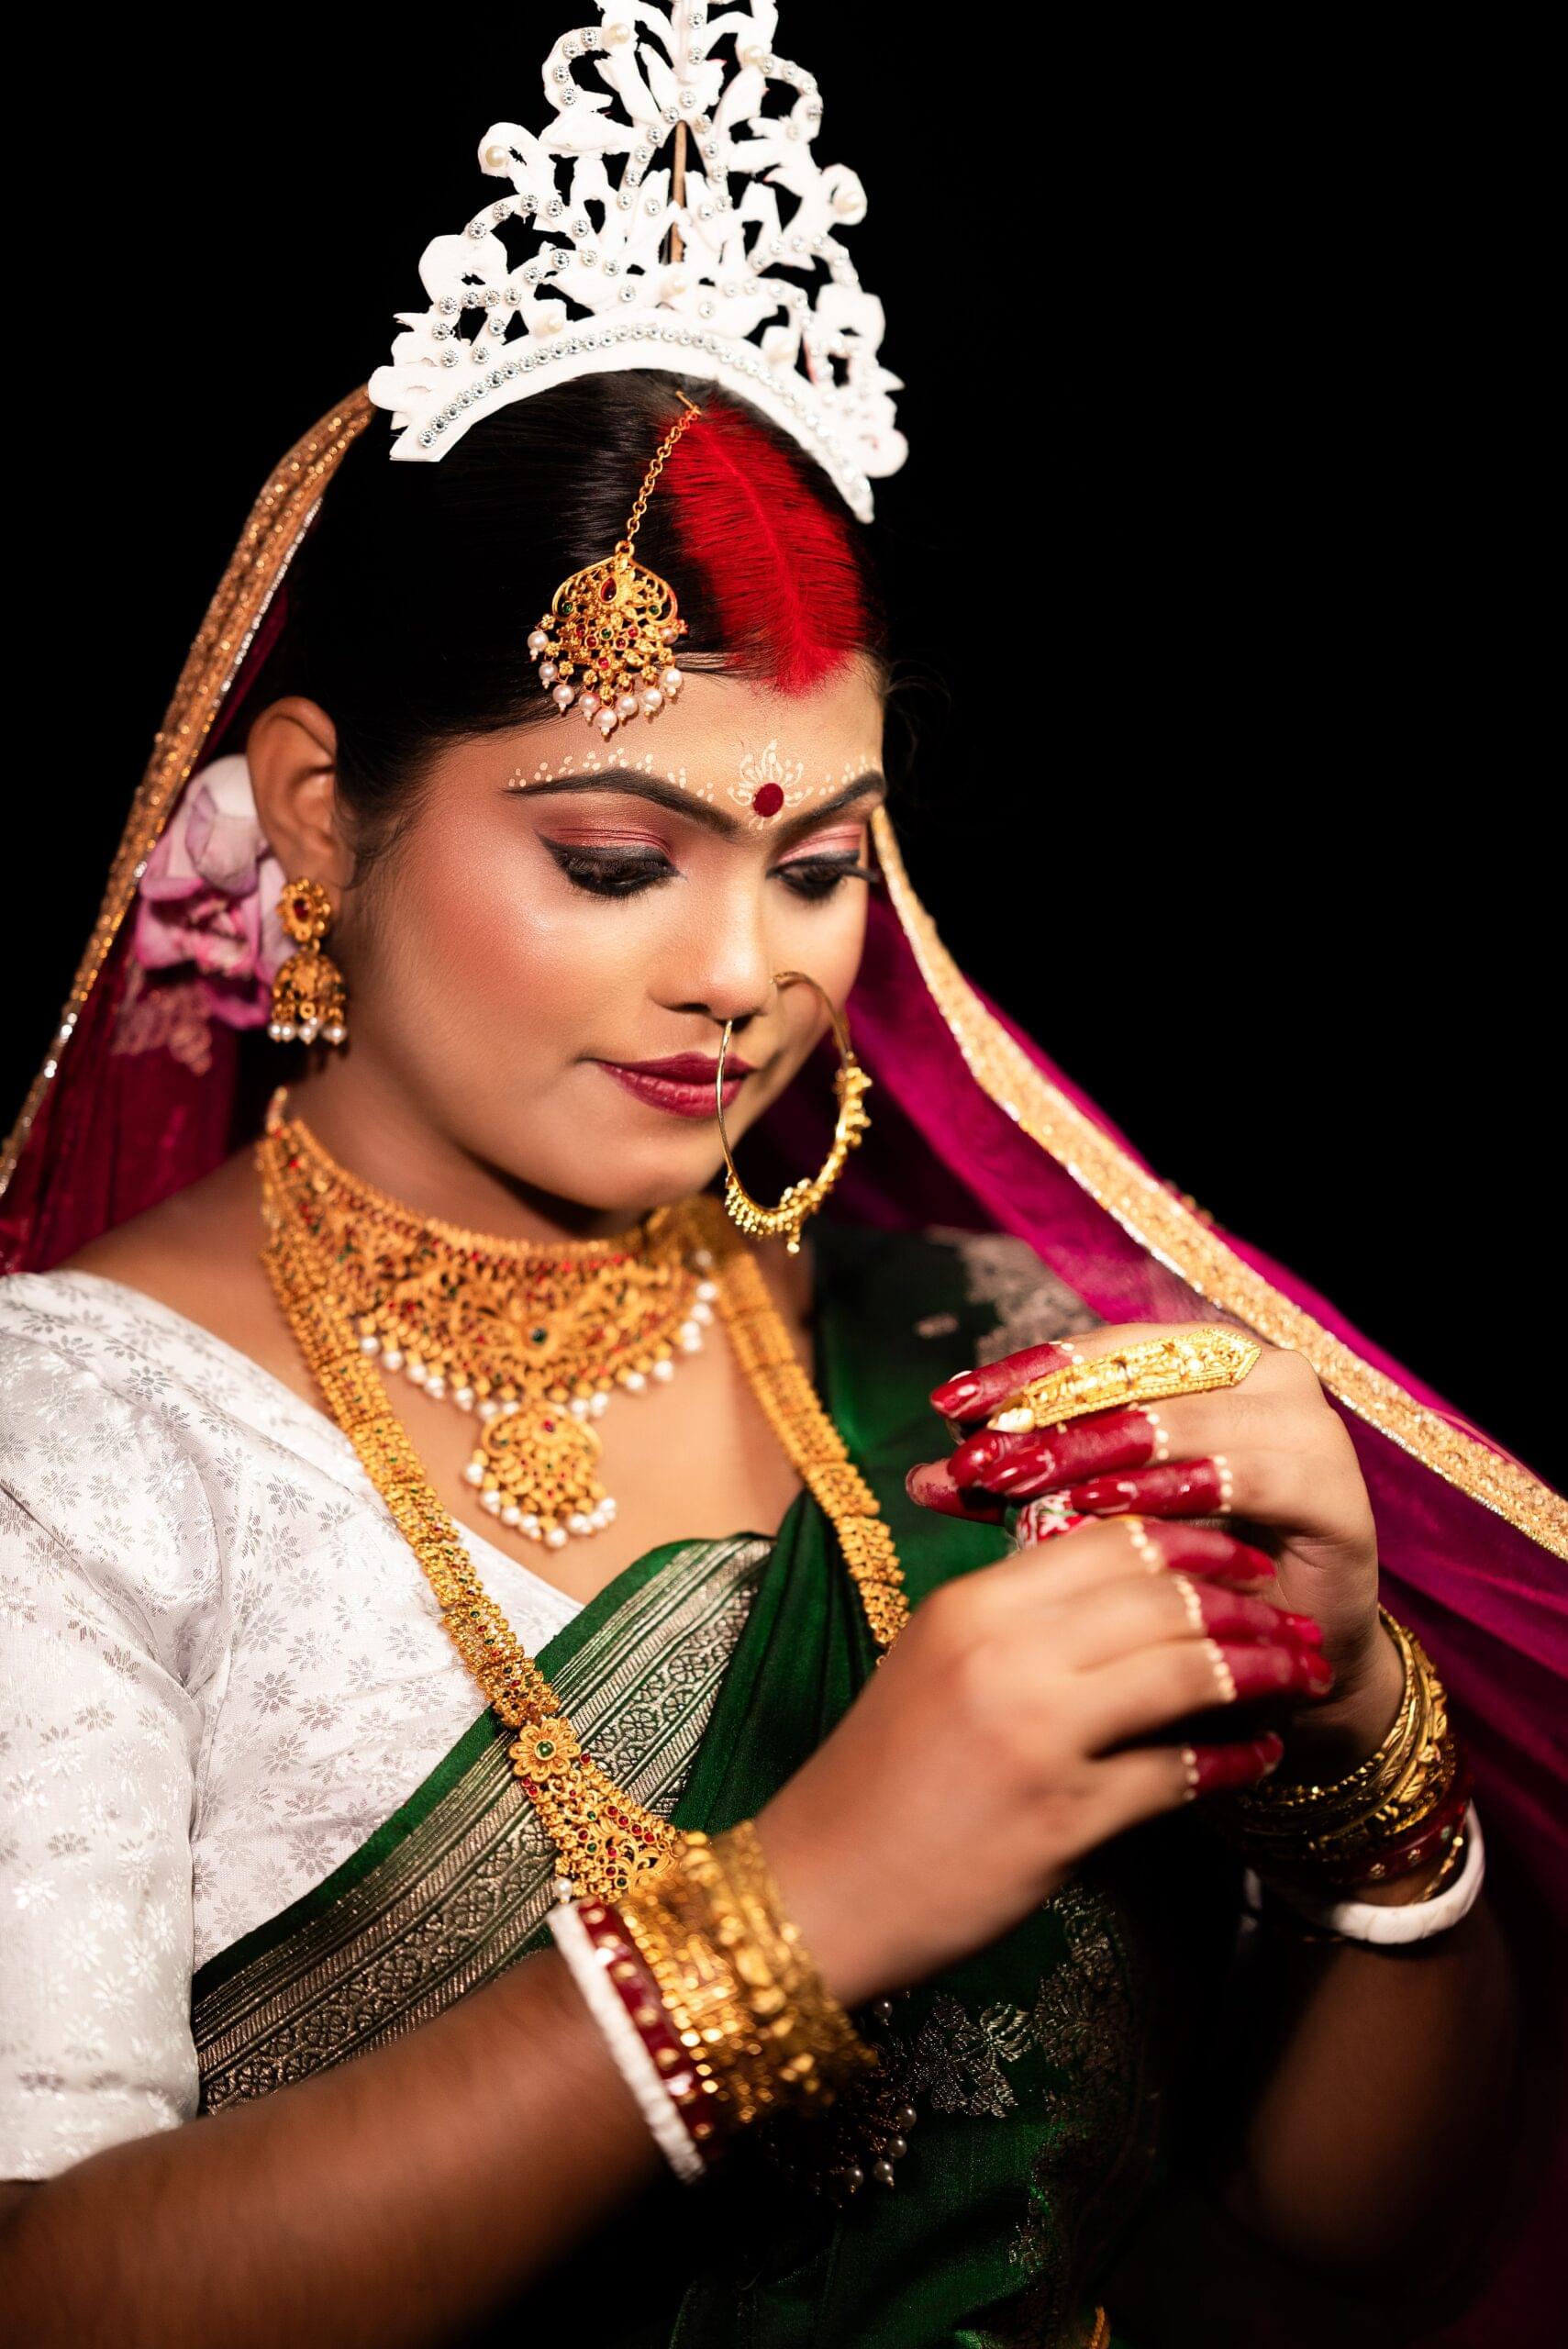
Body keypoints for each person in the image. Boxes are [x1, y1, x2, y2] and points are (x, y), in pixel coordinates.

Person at [0, 14, 1562, 2346]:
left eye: (818, 864)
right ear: (317, 808)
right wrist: (802, 1905)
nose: (741, 975)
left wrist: (1372, 1763)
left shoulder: (979, 1357)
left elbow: (1351, 2229)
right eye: (618, 859)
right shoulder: (77, 1451)